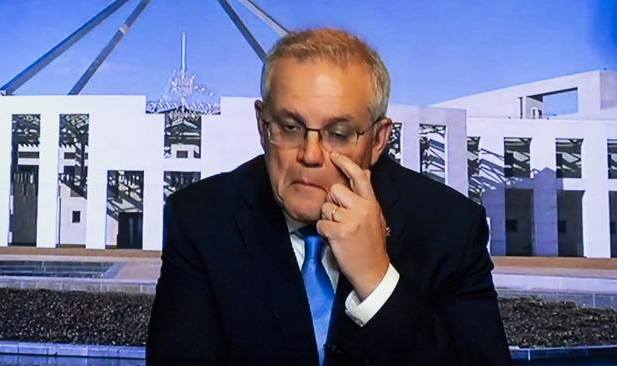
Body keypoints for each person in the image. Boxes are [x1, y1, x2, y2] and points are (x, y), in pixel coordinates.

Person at [147, 28, 511, 365]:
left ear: (379, 140)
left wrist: (377, 281)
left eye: (338, 133)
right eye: (290, 128)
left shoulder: (450, 227)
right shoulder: (200, 219)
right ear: (262, 125)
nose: (310, 154)